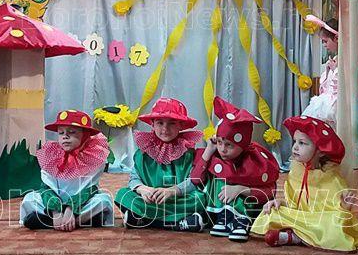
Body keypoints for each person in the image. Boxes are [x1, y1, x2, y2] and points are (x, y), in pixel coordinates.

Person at [251, 115, 358, 251]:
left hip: (320, 222)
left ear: (320, 151)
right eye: (295, 141)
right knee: (272, 210)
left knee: (336, 221)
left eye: (302, 143)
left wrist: (345, 207)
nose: (295, 147)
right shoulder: (295, 174)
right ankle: (301, 235)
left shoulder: (333, 179)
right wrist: (280, 203)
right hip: (302, 218)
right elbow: (295, 206)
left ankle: (295, 236)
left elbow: (336, 213)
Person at [190, 96, 279, 242]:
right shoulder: (215, 156)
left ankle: (241, 219)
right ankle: (224, 217)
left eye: (229, 145)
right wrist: (209, 150)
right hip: (217, 213)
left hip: (249, 210)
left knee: (233, 184)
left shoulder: (254, 161)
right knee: (218, 181)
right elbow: (195, 179)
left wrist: (241, 189)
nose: (222, 149)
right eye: (220, 142)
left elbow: (268, 193)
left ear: (243, 145)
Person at [114, 97, 207, 232]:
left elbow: (193, 181)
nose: (165, 129)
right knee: (123, 194)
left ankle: (146, 220)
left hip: (178, 199)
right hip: (151, 199)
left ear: (181, 125)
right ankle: (177, 222)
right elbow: (134, 178)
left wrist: (173, 190)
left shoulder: (188, 153)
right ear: (152, 124)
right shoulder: (143, 152)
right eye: (160, 123)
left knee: (201, 198)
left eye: (172, 123)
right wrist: (142, 189)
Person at [20, 110, 114, 231]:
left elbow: (89, 189)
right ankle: (80, 221)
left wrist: (70, 209)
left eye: (72, 132)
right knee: (30, 198)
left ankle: (51, 222)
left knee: (103, 200)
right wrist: (55, 211)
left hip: (82, 202)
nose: (65, 136)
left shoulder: (93, 158)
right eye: (61, 133)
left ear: (85, 135)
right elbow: (47, 188)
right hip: (54, 203)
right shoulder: (51, 156)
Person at [302, 16, 339, 127]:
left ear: (336, 38)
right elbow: (325, 87)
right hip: (327, 101)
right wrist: (328, 71)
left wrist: (335, 70)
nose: (324, 45)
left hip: (336, 104)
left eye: (325, 41)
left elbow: (342, 85)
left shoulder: (345, 60)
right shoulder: (335, 59)